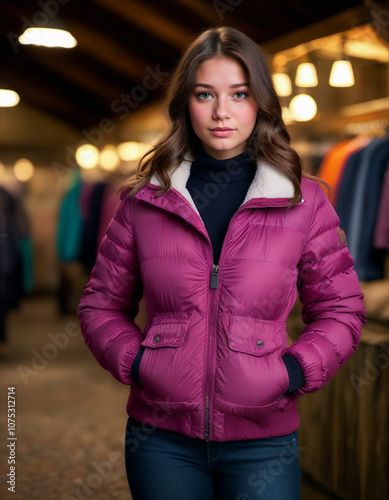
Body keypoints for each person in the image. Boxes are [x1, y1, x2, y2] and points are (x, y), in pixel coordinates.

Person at [77, 26, 367, 500]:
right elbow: (100, 306)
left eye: (239, 94)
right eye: (204, 94)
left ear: (261, 103)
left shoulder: (303, 201)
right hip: (162, 441)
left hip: (264, 441)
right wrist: (139, 362)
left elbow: (342, 310)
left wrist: (290, 372)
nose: (221, 112)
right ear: (185, 104)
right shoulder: (145, 201)